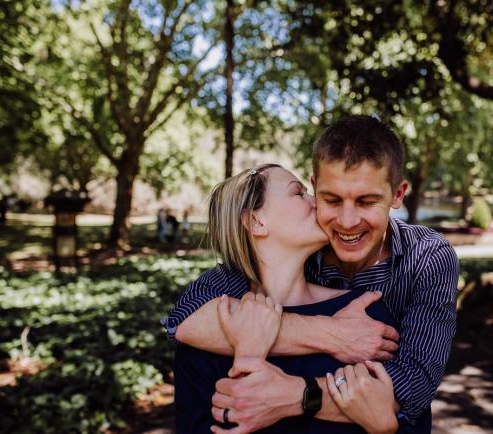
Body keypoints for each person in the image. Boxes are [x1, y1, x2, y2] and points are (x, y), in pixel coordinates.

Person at [163, 115, 459, 433]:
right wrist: (331, 334)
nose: (346, 222)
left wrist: (297, 395)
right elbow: (181, 319)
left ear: (397, 196)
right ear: (316, 189)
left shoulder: (419, 265)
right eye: (329, 199)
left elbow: (409, 391)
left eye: (367, 201)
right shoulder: (242, 291)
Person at [174, 164, 400, 433]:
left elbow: (407, 418)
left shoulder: (364, 314)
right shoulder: (205, 333)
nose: (317, 202)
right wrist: (248, 358)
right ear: (256, 222)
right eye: (299, 193)